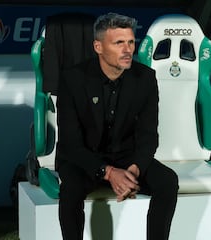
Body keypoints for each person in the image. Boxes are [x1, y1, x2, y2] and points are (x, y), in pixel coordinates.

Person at [56, 12, 179, 240]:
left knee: (167, 181)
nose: (128, 50)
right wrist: (109, 173)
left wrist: (133, 170)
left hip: (126, 157)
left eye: (131, 42)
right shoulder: (73, 79)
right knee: (70, 189)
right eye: (119, 43)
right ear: (98, 46)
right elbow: (70, 144)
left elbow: (148, 136)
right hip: (84, 158)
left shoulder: (145, 78)